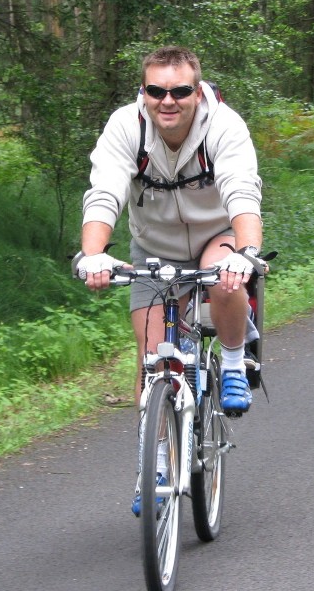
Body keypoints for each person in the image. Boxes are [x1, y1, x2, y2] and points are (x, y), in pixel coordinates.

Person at [77, 46, 263, 411]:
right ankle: (160, 461)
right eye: (156, 91)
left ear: (196, 93)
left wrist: (247, 253)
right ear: (143, 93)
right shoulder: (126, 126)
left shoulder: (224, 126)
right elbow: (104, 192)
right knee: (152, 365)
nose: (168, 101)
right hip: (154, 246)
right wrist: (94, 254)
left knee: (226, 278)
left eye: (179, 91)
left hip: (215, 234)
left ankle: (232, 363)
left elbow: (242, 193)